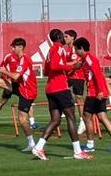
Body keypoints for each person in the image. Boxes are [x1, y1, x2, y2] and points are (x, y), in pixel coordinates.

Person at [31, 29, 89, 161]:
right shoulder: (59, 48)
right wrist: (72, 67)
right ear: (58, 37)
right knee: (71, 117)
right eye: (63, 36)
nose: (64, 38)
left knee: (55, 120)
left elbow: (47, 70)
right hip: (60, 88)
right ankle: (77, 151)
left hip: (50, 88)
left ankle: (38, 147)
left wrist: (68, 66)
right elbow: (56, 66)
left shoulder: (50, 51)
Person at [73, 37, 111, 153]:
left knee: (86, 117)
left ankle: (90, 145)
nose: (75, 52)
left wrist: (100, 91)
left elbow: (98, 75)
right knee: (102, 117)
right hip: (98, 92)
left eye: (76, 49)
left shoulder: (89, 58)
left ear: (81, 49)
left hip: (94, 93)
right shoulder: (86, 59)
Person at [64, 29, 88, 136]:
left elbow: (75, 63)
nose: (65, 39)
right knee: (63, 91)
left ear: (72, 38)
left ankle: (83, 121)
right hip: (70, 76)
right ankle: (64, 109)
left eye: (66, 37)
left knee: (79, 98)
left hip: (78, 76)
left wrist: (64, 65)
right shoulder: (67, 49)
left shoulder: (75, 48)